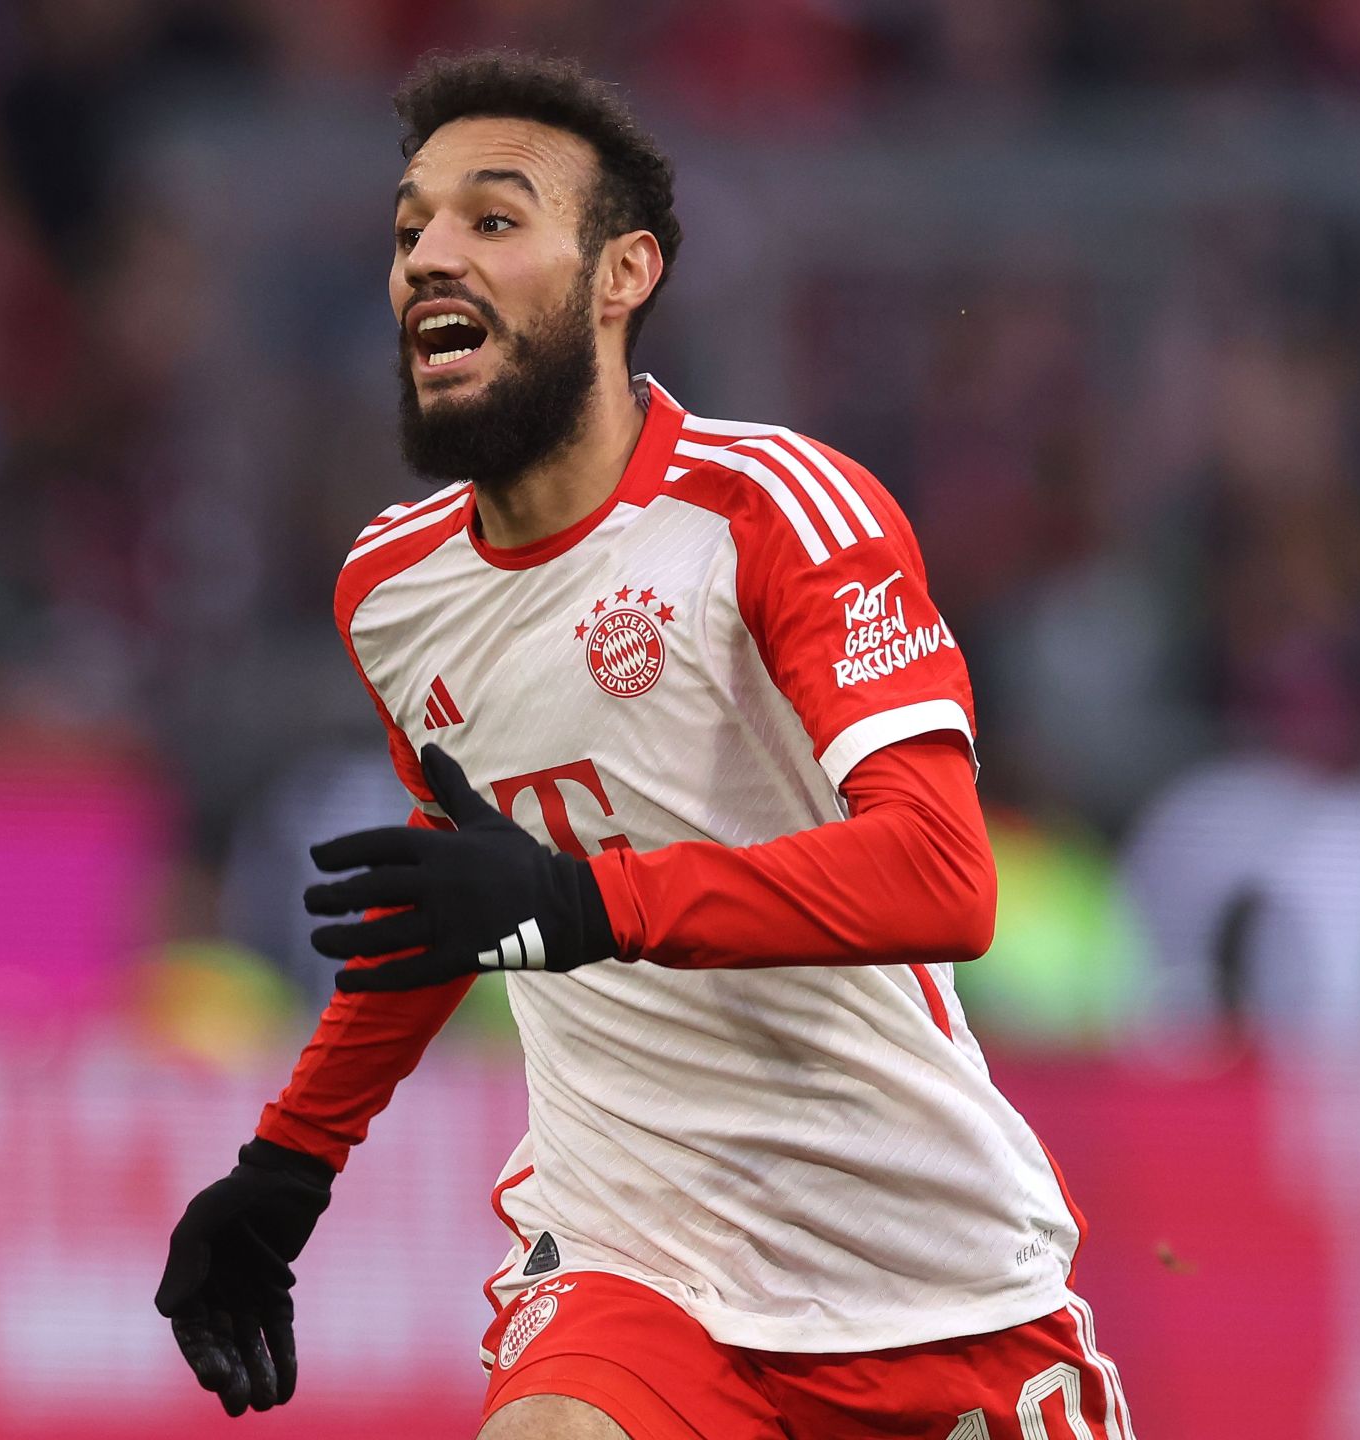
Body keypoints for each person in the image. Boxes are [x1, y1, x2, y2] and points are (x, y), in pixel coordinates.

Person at [156, 49, 1134, 1440]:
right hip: (629, 1265)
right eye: (411, 228)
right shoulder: (392, 592)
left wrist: (582, 905)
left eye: (494, 219)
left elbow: (941, 877)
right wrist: (286, 1170)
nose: (432, 257)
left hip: (920, 1274)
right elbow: (460, 903)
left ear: (624, 275)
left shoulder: (779, 512)